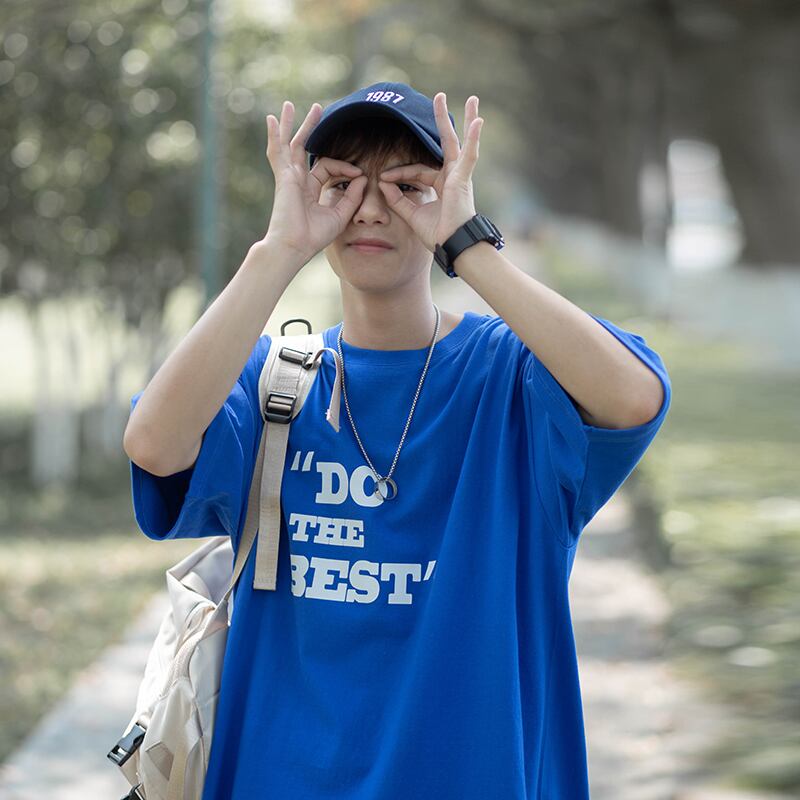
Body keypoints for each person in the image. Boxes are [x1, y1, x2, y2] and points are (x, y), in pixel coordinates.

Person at [124, 81, 672, 799]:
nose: (371, 208)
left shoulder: (512, 374)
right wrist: (279, 250)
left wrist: (466, 245)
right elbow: (154, 444)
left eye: (408, 187)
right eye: (342, 184)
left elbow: (633, 397)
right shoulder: (271, 383)